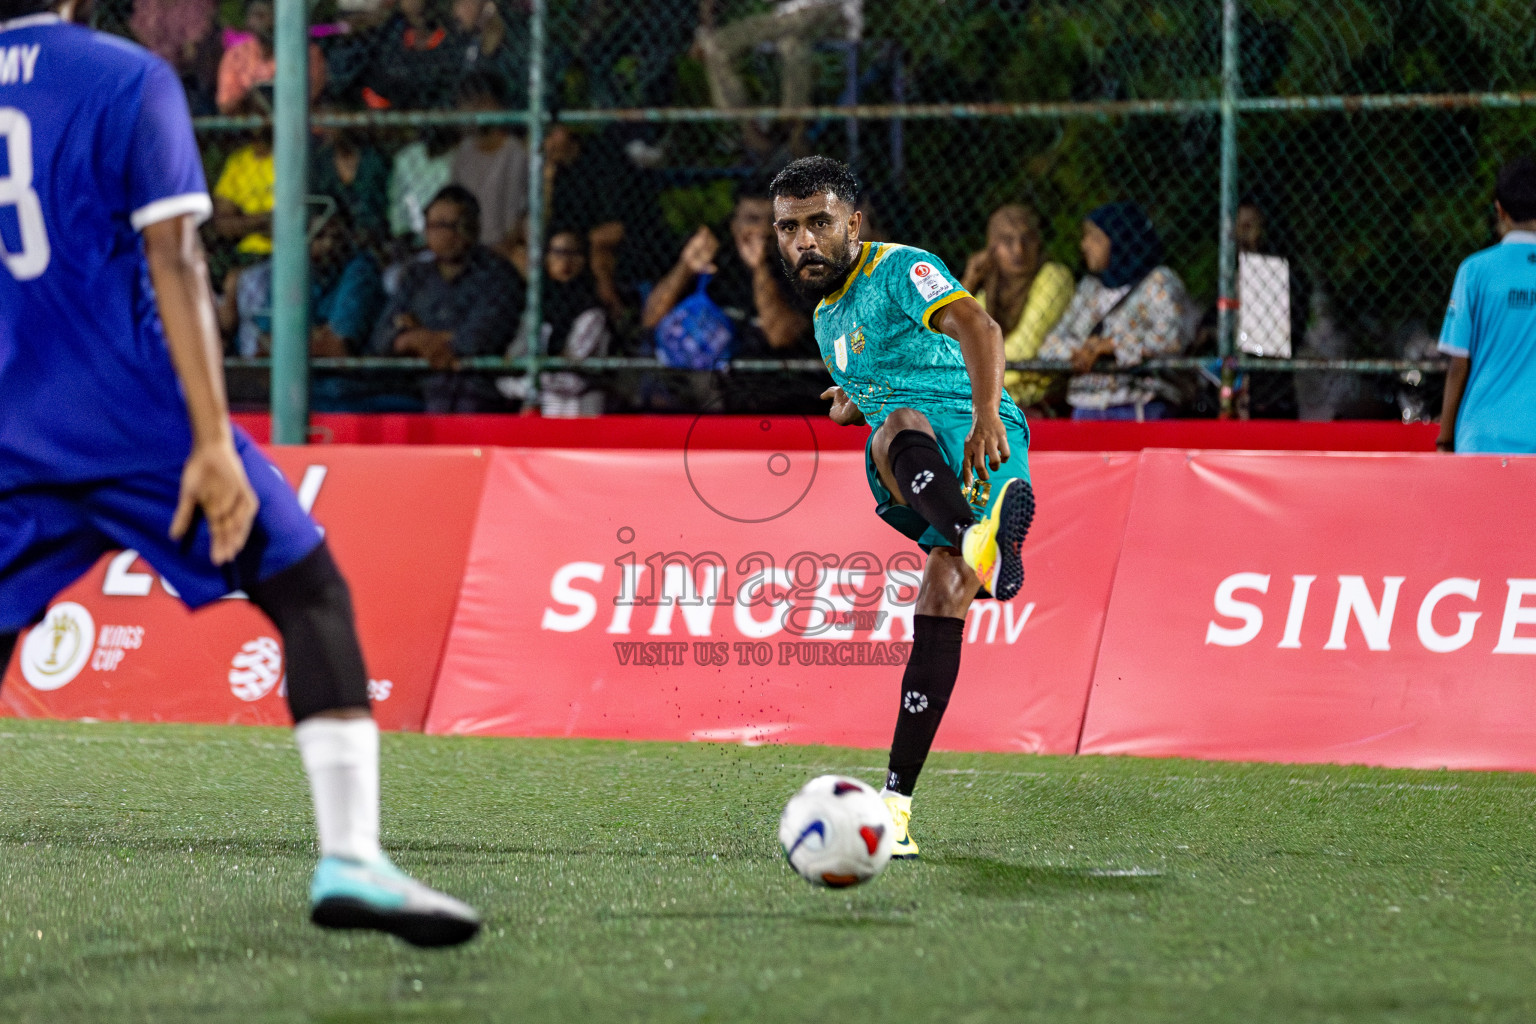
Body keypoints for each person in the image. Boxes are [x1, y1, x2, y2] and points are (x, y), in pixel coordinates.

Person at [0, 1, 478, 945]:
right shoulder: (123, 75)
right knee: (309, 590)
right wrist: (213, 441)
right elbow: (175, 256)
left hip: (11, 427)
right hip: (137, 423)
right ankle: (351, 856)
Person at [770, 156, 1034, 857]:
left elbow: (980, 328)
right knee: (939, 601)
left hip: (974, 432)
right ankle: (896, 809)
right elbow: (885, 372)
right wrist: (851, 402)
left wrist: (985, 416)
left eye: (819, 223)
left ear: (853, 224)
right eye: (788, 228)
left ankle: (975, 535)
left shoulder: (898, 268)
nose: (804, 241)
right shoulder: (828, 320)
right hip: (935, 458)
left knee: (895, 431)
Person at [368, 185, 525, 411]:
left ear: (473, 228)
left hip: (474, 386)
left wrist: (416, 334)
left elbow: (476, 340)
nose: (442, 233)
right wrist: (409, 340)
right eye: (435, 226)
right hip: (416, 385)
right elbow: (382, 337)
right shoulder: (416, 275)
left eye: (451, 226)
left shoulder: (498, 275)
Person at [1038, 202, 1192, 420]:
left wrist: (1112, 346)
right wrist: (1083, 350)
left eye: (1095, 238)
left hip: (1140, 404)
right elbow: (1050, 344)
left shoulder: (1159, 282)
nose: (1085, 245)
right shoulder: (1089, 289)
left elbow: (1172, 339)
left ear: (1121, 240)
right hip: (1086, 405)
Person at [1437, 156, 1536, 454]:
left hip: (1482, 439)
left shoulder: (1475, 271)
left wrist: (1445, 439)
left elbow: (1458, 364)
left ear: (1499, 210)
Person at [696, 0, 862, 158]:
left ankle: (793, 128)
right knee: (792, 46)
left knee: (718, 43)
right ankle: (759, 133)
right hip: (786, 22)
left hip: (831, 13)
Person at [961, 204, 1074, 410]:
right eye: (1007, 240)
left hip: (1039, 403)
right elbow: (946, 343)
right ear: (991, 247)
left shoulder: (1054, 277)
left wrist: (976, 379)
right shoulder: (989, 292)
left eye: (1027, 238)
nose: (1019, 250)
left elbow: (1027, 348)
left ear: (1038, 241)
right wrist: (968, 282)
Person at [450, 73, 528, 259]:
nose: (470, 110)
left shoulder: (517, 152)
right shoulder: (462, 154)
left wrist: (504, 246)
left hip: (507, 249)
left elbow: (522, 212)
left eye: (480, 103)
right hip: (469, 249)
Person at [215, 0, 325, 115]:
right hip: (249, 128)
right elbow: (226, 104)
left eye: (271, 16)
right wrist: (251, 100)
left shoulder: (307, 53)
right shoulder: (235, 55)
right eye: (257, 16)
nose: (268, 22)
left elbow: (310, 96)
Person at [210, 102, 275, 258]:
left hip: (281, 253)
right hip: (243, 253)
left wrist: (244, 220)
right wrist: (263, 220)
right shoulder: (238, 161)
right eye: (253, 114)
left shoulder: (291, 156)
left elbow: (287, 224)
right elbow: (223, 224)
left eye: (264, 114)